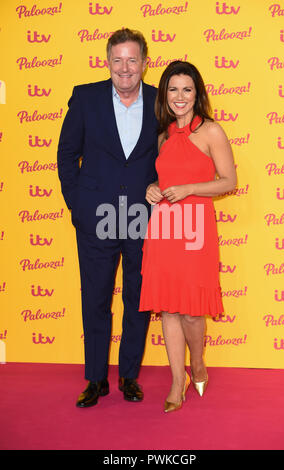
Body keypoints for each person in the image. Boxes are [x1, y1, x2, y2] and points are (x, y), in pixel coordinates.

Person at [57, 29, 158, 408]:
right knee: (96, 298)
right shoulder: (86, 97)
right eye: (118, 60)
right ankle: (96, 378)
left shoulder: (161, 101)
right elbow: (67, 155)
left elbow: (171, 153)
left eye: (133, 59)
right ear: (107, 62)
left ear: (145, 63)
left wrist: (160, 185)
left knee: (138, 298)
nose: (125, 68)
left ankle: (129, 376)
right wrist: (77, 205)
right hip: (95, 216)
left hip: (142, 217)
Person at [139, 61, 237, 413]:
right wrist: (153, 188)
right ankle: (177, 381)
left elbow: (229, 182)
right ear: (165, 94)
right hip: (164, 229)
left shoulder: (211, 131)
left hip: (196, 229)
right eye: (173, 90)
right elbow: (163, 182)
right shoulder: (163, 134)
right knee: (167, 309)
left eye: (187, 89)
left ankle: (198, 364)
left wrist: (191, 188)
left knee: (193, 313)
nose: (180, 97)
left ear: (197, 93)